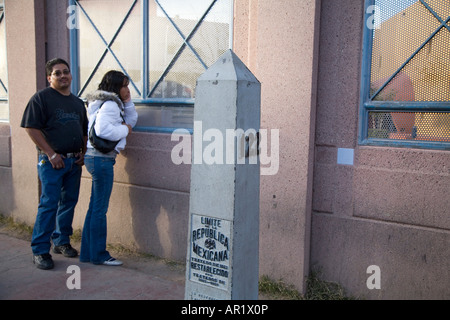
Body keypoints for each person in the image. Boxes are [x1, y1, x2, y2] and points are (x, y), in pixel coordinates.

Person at [21, 58, 88, 270]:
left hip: (73, 162)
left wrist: (83, 153)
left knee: (68, 202)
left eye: (65, 72)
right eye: (57, 73)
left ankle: (61, 241)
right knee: (49, 204)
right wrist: (51, 154)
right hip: (51, 162)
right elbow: (31, 128)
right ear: (49, 77)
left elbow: (84, 131)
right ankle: (40, 250)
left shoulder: (77, 103)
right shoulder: (41, 99)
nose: (62, 76)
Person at [80, 70, 138, 266]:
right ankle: (99, 255)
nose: (127, 89)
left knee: (94, 207)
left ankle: (88, 253)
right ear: (115, 87)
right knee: (99, 210)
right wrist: (125, 130)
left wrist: (128, 102)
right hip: (102, 159)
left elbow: (132, 119)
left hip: (95, 158)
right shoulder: (112, 105)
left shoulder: (102, 103)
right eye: (124, 86)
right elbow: (103, 130)